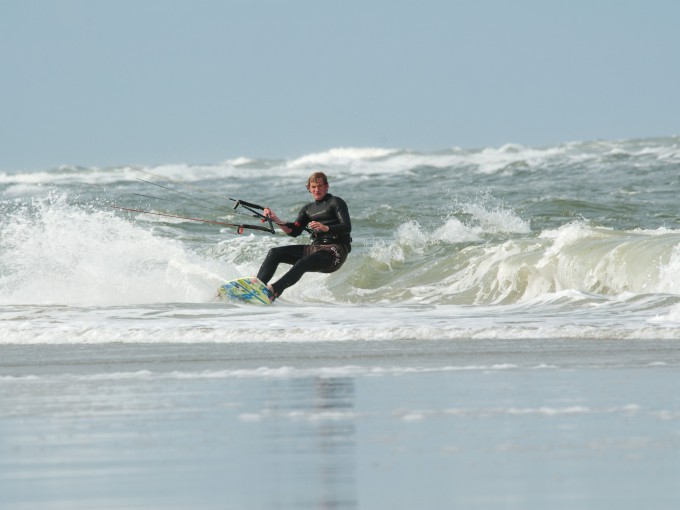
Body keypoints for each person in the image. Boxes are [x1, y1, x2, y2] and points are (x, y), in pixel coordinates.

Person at [257, 171, 352, 301]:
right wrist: (275, 219)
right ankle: (256, 288)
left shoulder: (336, 202)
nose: (317, 190)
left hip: (335, 251)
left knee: (303, 262)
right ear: (309, 188)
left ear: (326, 186)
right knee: (275, 253)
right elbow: (294, 231)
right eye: (313, 187)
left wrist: (326, 228)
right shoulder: (307, 209)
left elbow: (347, 227)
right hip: (316, 248)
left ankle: (274, 291)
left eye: (320, 186)